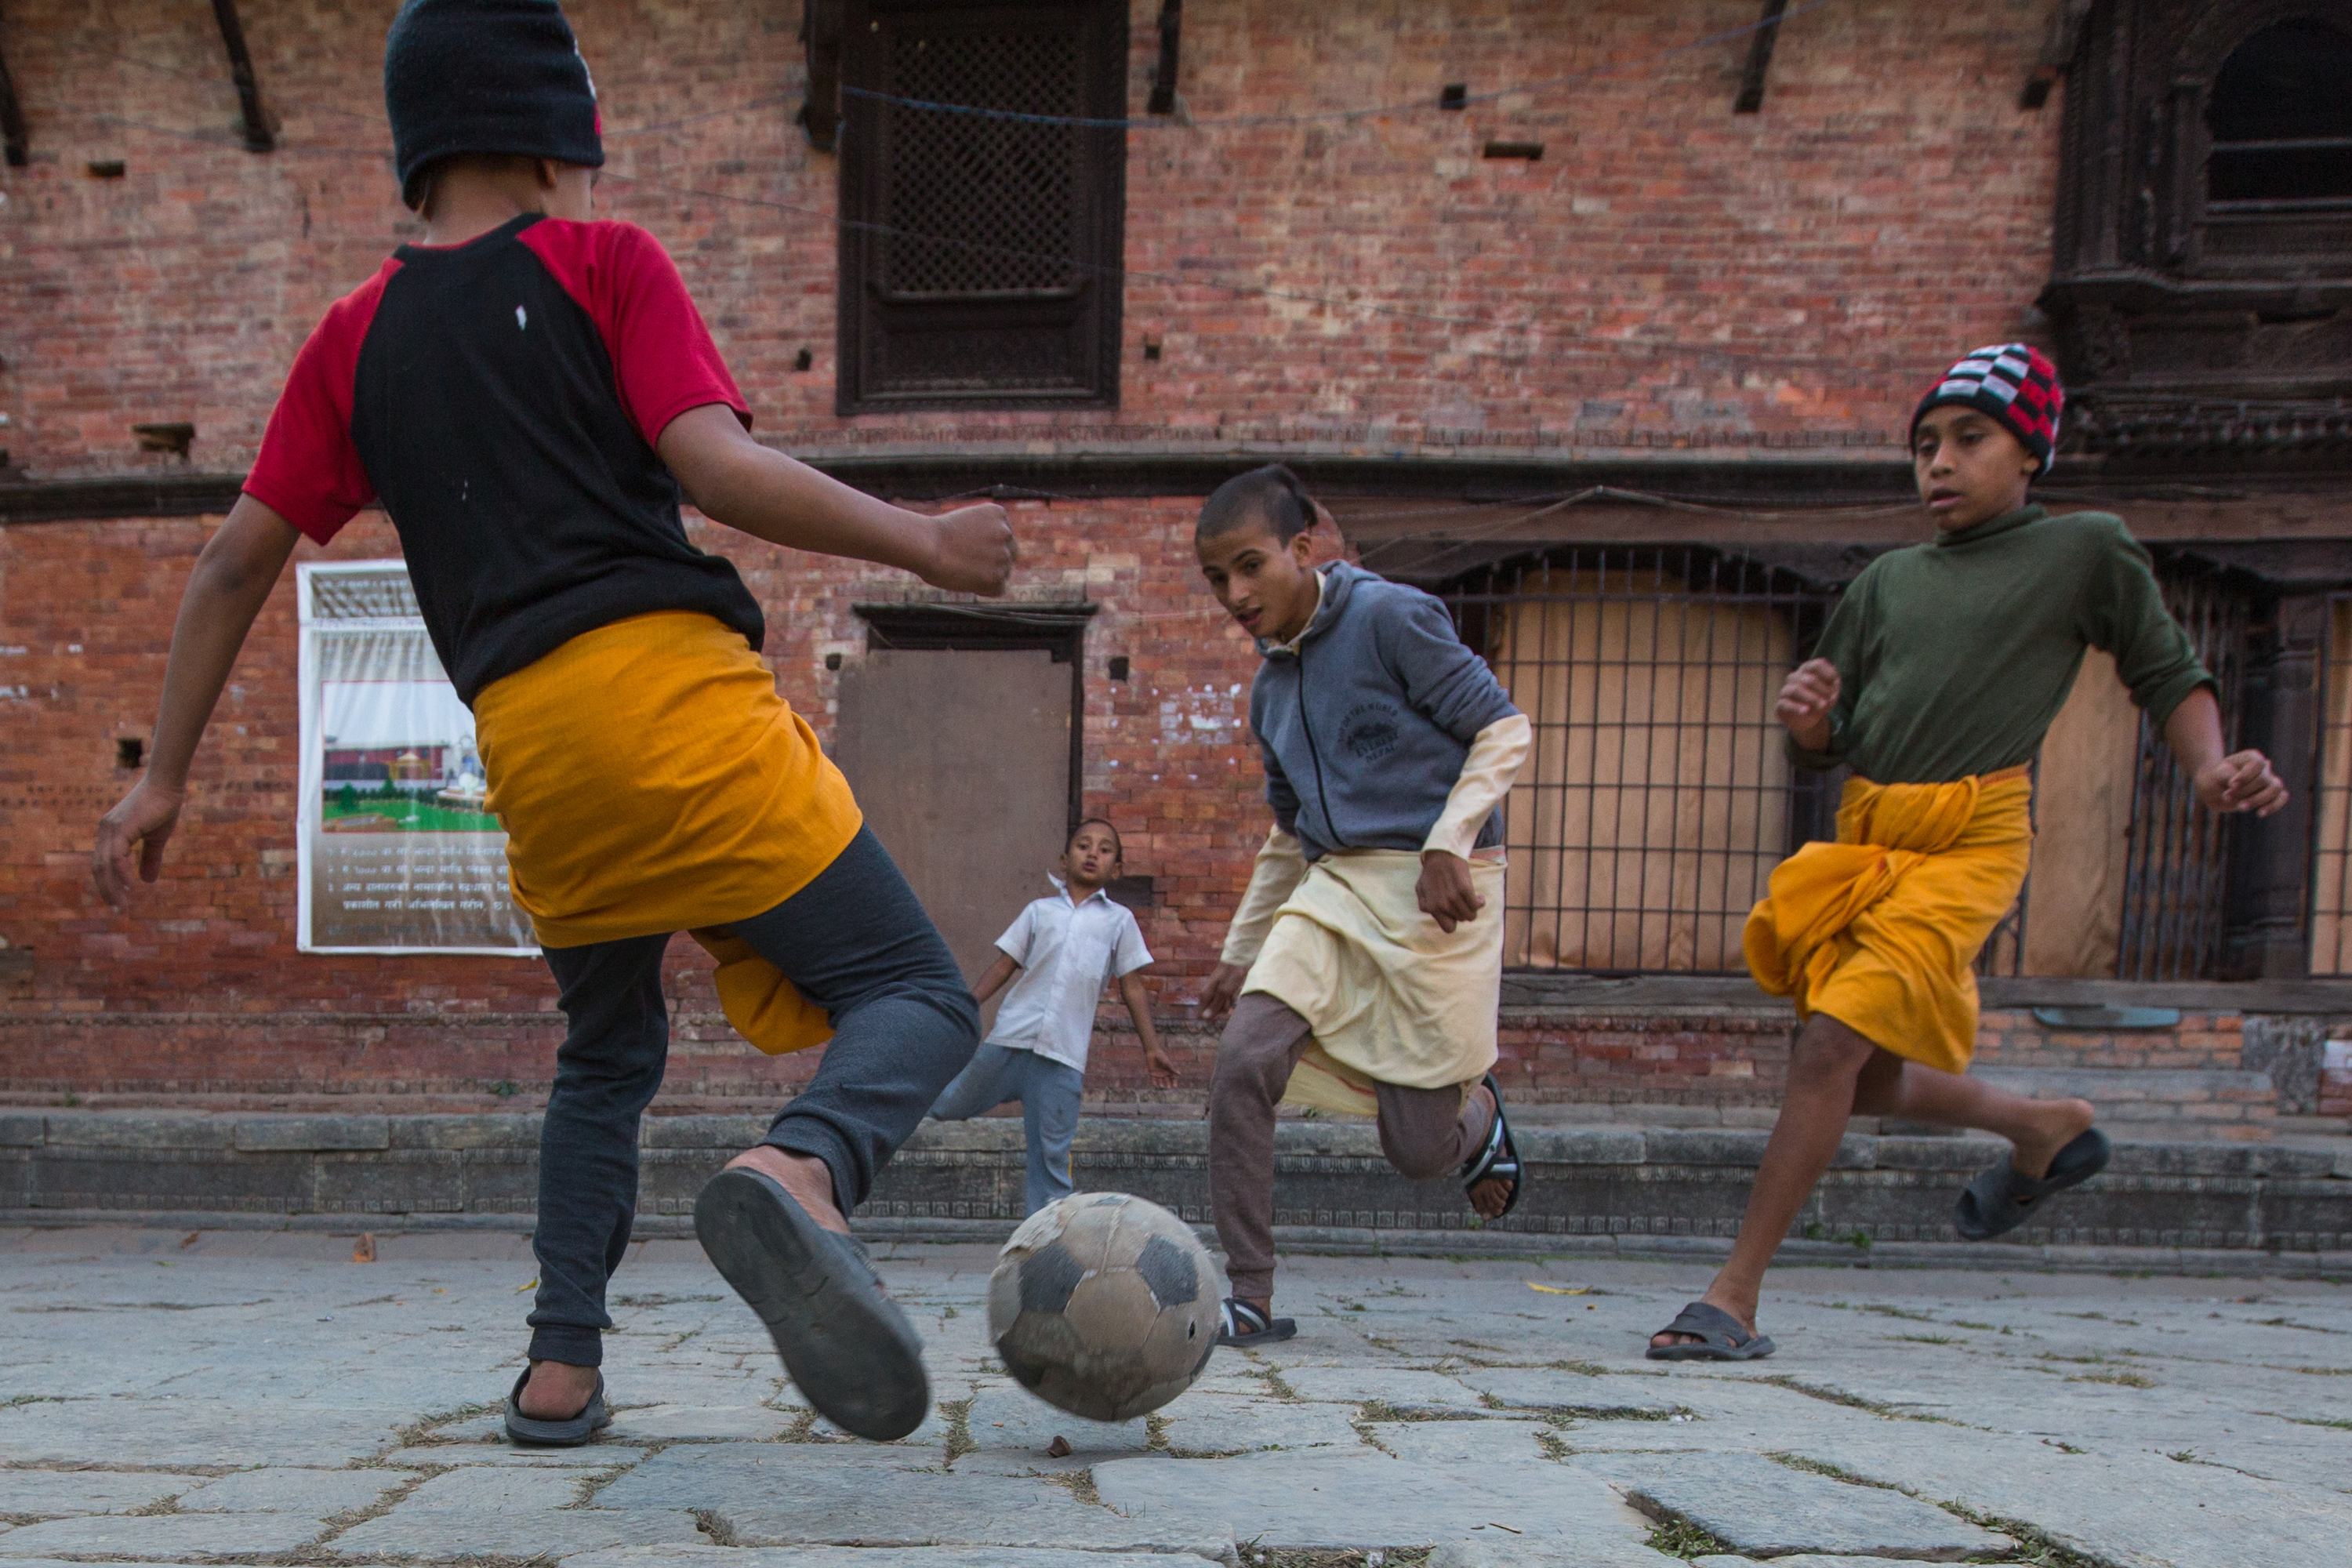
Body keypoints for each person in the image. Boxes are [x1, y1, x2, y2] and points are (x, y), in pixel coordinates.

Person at [89, 0, 1013, 1446]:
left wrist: (164, 784)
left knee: (604, 1055)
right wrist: (926, 546)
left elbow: (231, 564)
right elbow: (713, 465)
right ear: (549, 139)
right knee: (918, 993)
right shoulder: (603, 261)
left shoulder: (352, 336)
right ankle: (806, 1168)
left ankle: (558, 1370)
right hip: (677, 710)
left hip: (531, 754)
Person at [1649, 344, 2288, 1362]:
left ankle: (1732, 1295)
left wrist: (2210, 769)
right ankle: (2043, 1126)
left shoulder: (2084, 552)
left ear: (2029, 451)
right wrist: (1810, 724)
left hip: (1972, 839)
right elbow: (1838, 729)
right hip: (1868, 839)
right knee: (1858, 1076)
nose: (1937, 462)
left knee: (1825, 1051)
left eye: (1968, 439)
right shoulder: (1888, 583)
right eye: (1924, 445)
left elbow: (2168, 672)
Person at [1194, 466, 1534, 1347]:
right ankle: (1250, 1293)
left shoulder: (1392, 617)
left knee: (1420, 1150)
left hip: (1439, 892)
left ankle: (1480, 1116)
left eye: (1250, 566)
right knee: (1243, 1061)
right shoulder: (1269, 691)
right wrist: (1241, 951)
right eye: (1216, 578)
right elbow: (1286, 835)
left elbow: (1504, 729)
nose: (1235, 594)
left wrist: (1448, 841)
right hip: (1335, 889)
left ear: (1303, 548)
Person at [927, 818, 1175, 1214]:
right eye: (1083, 845)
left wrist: (1152, 1049)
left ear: (1117, 869)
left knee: (1051, 1162)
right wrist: (966, 1003)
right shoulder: (1039, 912)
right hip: (1010, 1041)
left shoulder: (1119, 921)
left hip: (1062, 1057)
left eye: (1105, 849)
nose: (1092, 853)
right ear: (1064, 860)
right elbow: (1005, 965)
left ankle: (1047, 1247)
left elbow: (1132, 987)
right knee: (945, 1104)